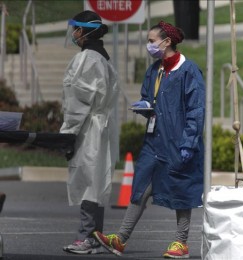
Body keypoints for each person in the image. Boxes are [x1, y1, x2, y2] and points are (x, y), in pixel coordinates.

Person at [93, 21, 205, 259]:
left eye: (152, 41)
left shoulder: (189, 71)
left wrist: (188, 143)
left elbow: (196, 110)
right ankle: (121, 239)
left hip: (179, 142)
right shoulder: (156, 70)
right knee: (140, 187)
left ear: (166, 42)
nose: (149, 45)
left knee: (181, 188)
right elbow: (149, 96)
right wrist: (145, 106)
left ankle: (181, 242)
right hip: (155, 141)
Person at [60, 10, 119, 254]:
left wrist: (68, 134)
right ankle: (95, 236)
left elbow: (77, 102)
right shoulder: (104, 58)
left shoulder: (86, 59)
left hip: (88, 128)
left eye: (75, 29)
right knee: (97, 182)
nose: (73, 34)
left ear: (82, 31)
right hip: (102, 126)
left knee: (87, 182)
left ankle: (86, 237)